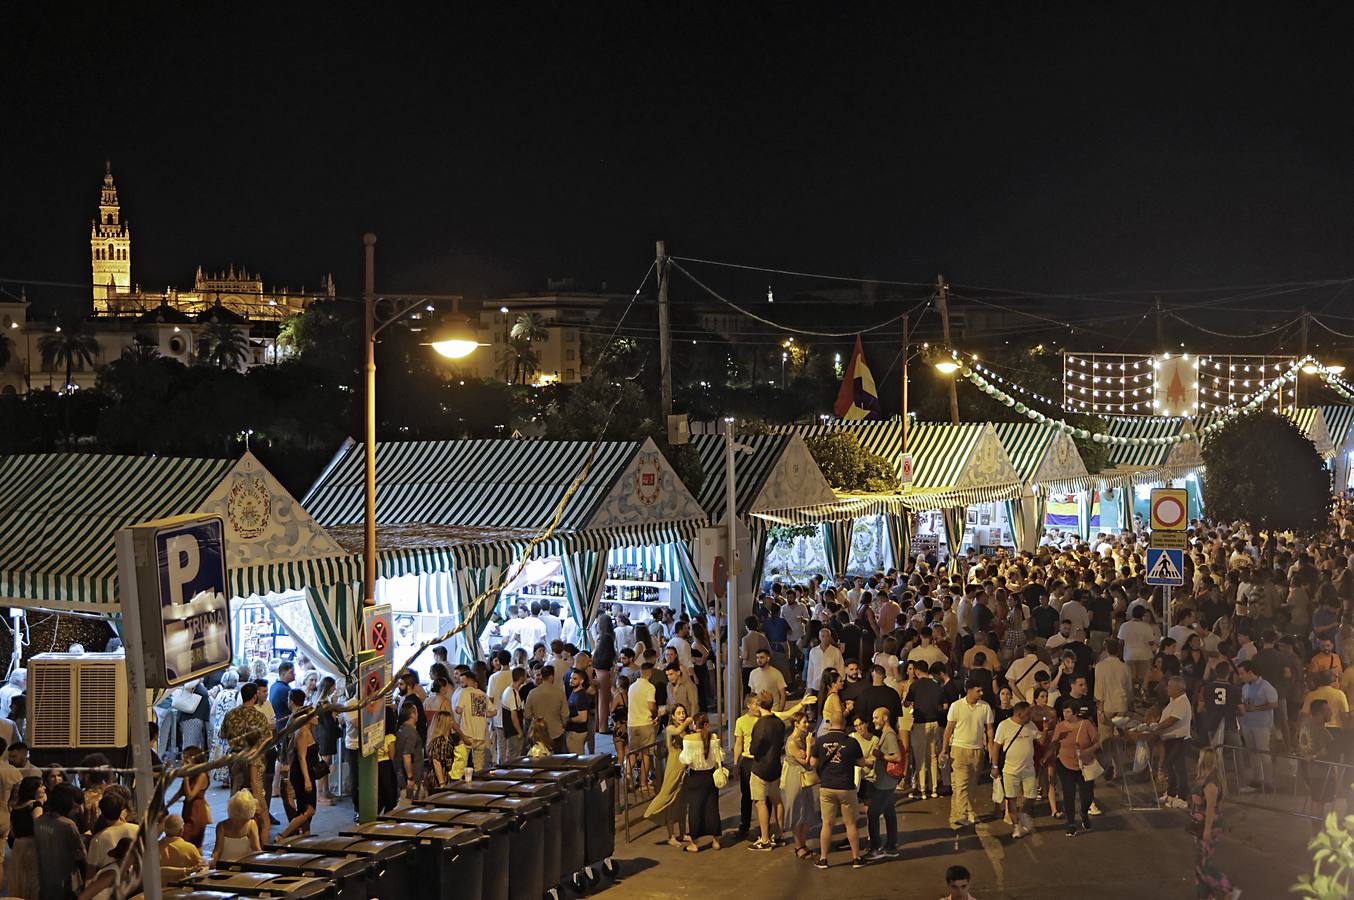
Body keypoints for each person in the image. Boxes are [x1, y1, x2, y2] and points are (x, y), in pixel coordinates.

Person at [811, 711, 870, 869]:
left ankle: (823, 858)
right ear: (844, 724)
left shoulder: (821, 741)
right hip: (846, 787)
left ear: (830, 724)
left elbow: (812, 762)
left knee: (827, 824)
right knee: (850, 824)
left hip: (827, 787)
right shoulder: (851, 742)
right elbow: (861, 763)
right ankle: (856, 858)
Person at [942, 677, 996, 829]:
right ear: (969, 690)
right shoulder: (956, 706)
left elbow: (989, 729)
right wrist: (944, 749)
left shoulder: (985, 707)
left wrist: (990, 748)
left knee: (972, 783)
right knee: (961, 783)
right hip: (959, 749)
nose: (981, 693)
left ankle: (969, 811)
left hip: (977, 750)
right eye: (978, 690)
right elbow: (948, 729)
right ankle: (961, 814)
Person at [1189, 747, 1238, 899]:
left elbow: (1210, 808)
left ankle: (1229, 889)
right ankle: (1205, 896)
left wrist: (1207, 830)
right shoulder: (1204, 778)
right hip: (1200, 825)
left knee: (1203, 864)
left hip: (1209, 826)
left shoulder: (1211, 783)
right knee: (1199, 863)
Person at [1049, 702, 1100, 836]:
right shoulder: (1060, 727)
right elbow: (1054, 744)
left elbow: (1097, 743)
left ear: (1076, 712)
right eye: (1064, 711)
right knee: (1069, 793)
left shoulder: (1086, 725)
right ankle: (1071, 823)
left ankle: (1084, 812)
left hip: (1085, 766)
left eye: (1068, 712)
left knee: (1087, 795)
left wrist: (1086, 751)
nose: (1065, 715)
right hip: (1065, 764)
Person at [644, 703, 692, 845]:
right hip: (673, 766)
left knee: (682, 802)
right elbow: (677, 732)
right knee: (669, 798)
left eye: (683, 713)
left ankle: (683, 833)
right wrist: (688, 721)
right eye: (678, 713)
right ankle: (671, 835)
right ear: (672, 716)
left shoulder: (686, 731)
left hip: (685, 768)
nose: (682, 716)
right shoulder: (671, 729)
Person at [678, 713, 724, 852]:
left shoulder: (688, 739)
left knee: (695, 810)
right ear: (706, 724)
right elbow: (720, 756)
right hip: (710, 777)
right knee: (712, 808)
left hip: (695, 778)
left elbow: (685, 759)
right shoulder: (713, 738)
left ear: (694, 725)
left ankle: (695, 843)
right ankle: (716, 841)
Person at [994, 701, 1039, 838]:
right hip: (1010, 770)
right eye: (1027, 715)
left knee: (1031, 796)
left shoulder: (1031, 725)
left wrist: (1047, 730)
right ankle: (1016, 827)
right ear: (1019, 714)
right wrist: (995, 766)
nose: (1029, 717)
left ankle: (1023, 814)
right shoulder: (1004, 726)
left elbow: (1040, 739)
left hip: (1028, 769)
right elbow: (996, 747)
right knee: (1011, 799)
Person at [279, 689, 319, 839]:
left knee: (304, 807)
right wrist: (307, 780)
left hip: (302, 771)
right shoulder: (301, 731)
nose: (317, 717)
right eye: (314, 715)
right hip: (301, 772)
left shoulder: (301, 727)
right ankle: (284, 835)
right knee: (308, 810)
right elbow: (300, 757)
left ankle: (306, 835)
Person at [866, 705, 904, 859]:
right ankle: (891, 846)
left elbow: (897, 757)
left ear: (885, 718)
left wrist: (880, 756)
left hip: (885, 783)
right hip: (886, 781)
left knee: (873, 813)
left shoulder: (889, 735)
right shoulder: (885, 734)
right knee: (889, 812)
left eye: (876, 717)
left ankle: (876, 848)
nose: (873, 720)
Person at [781, 713, 821, 861]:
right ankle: (798, 846)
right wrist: (810, 746)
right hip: (795, 778)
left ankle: (803, 844)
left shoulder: (801, 739)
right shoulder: (792, 742)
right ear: (796, 724)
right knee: (797, 811)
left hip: (803, 778)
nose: (806, 725)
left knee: (806, 811)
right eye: (803, 722)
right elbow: (805, 761)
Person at [36, 783, 85, 900]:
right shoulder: (67, 825)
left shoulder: (40, 820)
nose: (78, 811)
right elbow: (80, 855)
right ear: (65, 803)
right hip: (66, 883)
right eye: (75, 807)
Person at [1237, 660, 1278, 793]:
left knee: (1263, 753)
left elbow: (1274, 703)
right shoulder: (1245, 687)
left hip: (1261, 725)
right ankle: (1257, 779)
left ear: (1250, 672)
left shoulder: (1266, 686)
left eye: (1242, 673)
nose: (1240, 676)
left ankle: (1268, 781)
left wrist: (1257, 708)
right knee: (1252, 753)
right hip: (1248, 723)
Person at [1152, 676, 1193, 808]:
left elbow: (1173, 719)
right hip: (1169, 739)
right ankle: (1171, 793)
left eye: (1170, 686)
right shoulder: (1173, 700)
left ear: (1178, 688)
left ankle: (1182, 797)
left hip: (1179, 739)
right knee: (1170, 768)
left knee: (1179, 769)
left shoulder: (1182, 702)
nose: (1167, 688)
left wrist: (1156, 727)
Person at [168, 745, 211, 847]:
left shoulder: (201, 775)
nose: (183, 764)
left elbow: (190, 796)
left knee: (189, 842)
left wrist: (186, 777)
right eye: (183, 761)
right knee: (191, 844)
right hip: (188, 810)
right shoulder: (191, 775)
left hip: (196, 812)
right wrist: (166, 805)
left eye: (187, 762)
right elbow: (179, 793)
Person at [522, 665, 570, 753]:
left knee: (539, 759)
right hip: (556, 732)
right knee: (557, 759)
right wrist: (562, 726)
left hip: (538, 733)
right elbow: (565, 714)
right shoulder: (559, 693)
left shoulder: (532, 693)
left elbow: (527, 715)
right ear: (552, 676)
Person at [10, 775, 43, 900]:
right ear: (33, 789)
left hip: (18, 845)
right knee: (32, 880)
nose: (44, 788)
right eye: (41, 786)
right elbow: (38, 825)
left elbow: (12, 832)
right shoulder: (36, 805)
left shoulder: (16, 807)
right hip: (31, 845)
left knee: (19, 879)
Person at [210, 789, 263, 865]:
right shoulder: (251, 824)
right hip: (244, 866)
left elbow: (217, 850)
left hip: (224, 865)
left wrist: (212, 863)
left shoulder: (221, 826)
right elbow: (256, 849)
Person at [158, 814, 206, 885]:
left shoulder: (153, 848)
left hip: (157, 890)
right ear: (181, 830)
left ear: (164, 830)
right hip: (181, 889)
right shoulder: (189, 848)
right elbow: (202, 869)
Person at [394, 701, 425, 802]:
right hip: (410, 779)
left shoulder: (401, 729)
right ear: (412, 714)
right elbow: (406, 755)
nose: (418, 714)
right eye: (416, 712)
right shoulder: (411, 733)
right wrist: (410, 778)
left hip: (399, 775)